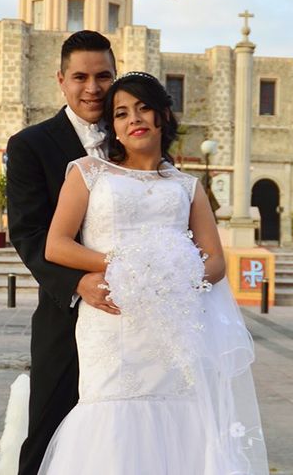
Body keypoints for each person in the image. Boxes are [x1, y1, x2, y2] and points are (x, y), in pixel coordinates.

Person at [38, 72, 268, 474]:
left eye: (143, 108)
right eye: (122, 113)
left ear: (163, 115)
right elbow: (56, 244)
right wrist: (126, 265)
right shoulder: (89, 172)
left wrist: (179, 275)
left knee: (179, 418)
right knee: (111, 418)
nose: (134, 119)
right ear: (114, 127)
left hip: (173, 324)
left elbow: (215, 260)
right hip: (112, 323)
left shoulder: (186, 187)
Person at [5, 30, 117, 475]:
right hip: (63, 315)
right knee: (49, 429)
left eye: (104, 76)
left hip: (131, 317)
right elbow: (28, 233)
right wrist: (77, 284)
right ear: (61, 80)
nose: (93, 88)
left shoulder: (133, 136)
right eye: (81, 77)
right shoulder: (30, 144)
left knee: (117, 431)